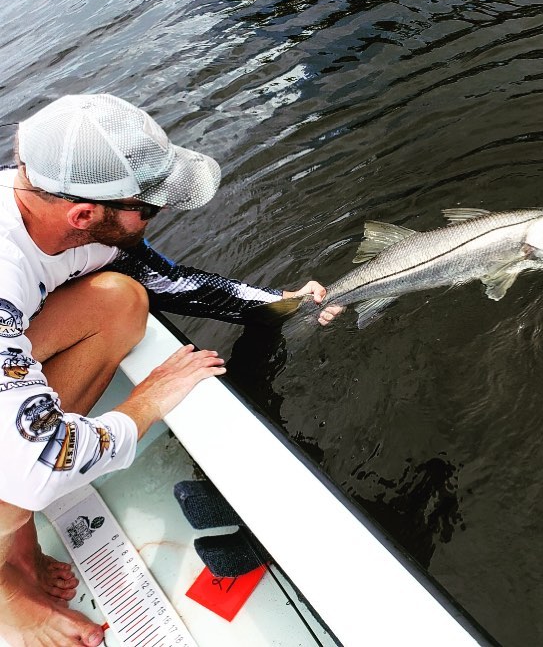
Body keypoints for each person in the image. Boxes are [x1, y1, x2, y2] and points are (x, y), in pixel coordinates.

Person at [0, 93, 340, 646]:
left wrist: (286, 303)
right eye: (149, 208)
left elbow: (172, 282)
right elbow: (41, 465)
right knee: (26, 478)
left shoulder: (60, 217)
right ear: (83, 214)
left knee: (120, 302)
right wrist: (146, 402)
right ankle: (7, 596)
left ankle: (16, 550)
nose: (158, 216)